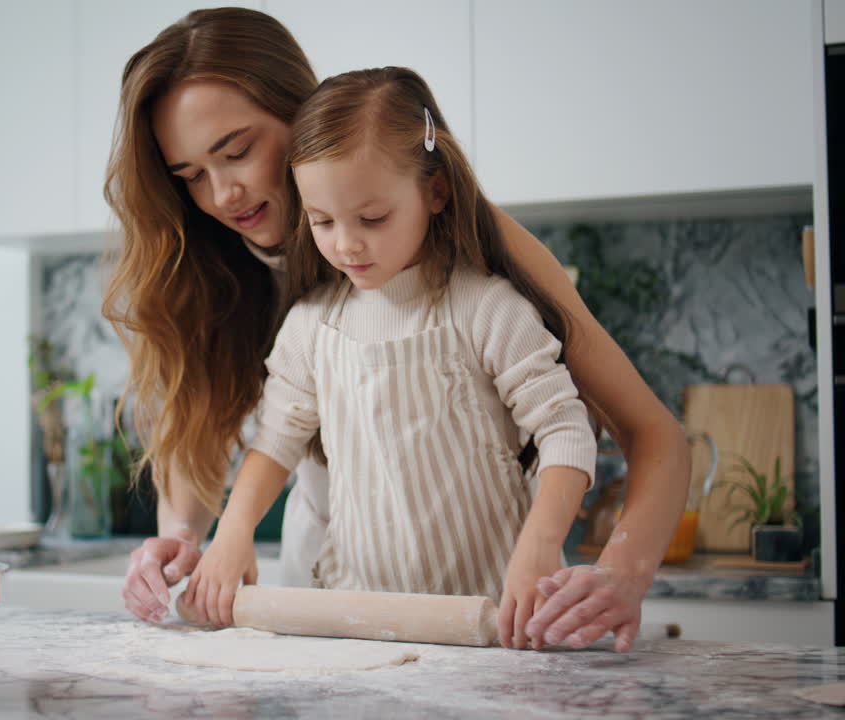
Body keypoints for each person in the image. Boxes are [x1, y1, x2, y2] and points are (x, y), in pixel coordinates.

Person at [103, 7, 688, 653]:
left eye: (237, 151)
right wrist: (182, 546)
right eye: (190, 178)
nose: (223, 195)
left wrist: (622, 574)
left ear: (304, 115)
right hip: (325, 605)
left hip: (483, 602)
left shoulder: (465, 247)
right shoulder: (209, 269)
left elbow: (652, 433)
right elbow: (206, 468)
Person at [182, 64, 599, 647]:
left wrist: (541, 544)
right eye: (322, 221)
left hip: (497, 620)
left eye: (372, 218)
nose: (346, 243)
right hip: (356, 626)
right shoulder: (310, 328)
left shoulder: (486, 309)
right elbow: (274, 442)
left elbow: (565, 430)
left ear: (435, 190)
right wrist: (231, 536)